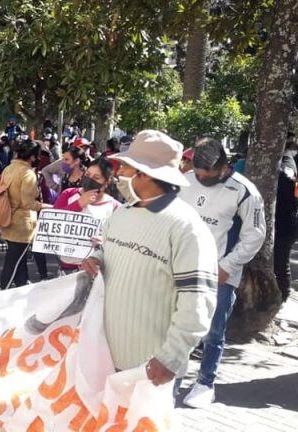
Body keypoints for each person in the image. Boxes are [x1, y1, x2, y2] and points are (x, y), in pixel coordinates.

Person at [81, 130, 217, 392]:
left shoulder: (187, 228)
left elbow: (198, 301)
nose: (119, 173)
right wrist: (95, 259)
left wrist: (171, 358)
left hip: (150, 369)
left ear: (145, 174)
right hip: (105, 358)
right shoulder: (121, 215)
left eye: (125, 167)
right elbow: (107, 252)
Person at [178, 138, 265, 408]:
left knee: (214, 332)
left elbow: (255, 235)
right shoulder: (186, 181)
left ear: (224, 167)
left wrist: (228, 265)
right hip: (182, 267)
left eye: (207, 174)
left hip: (220, 273)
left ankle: (205, 382)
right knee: (176, 323)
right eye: (198, 172)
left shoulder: (245, 192)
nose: (201, 177)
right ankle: (173, 374)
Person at [53, 158, 120, 274]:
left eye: (96, 178)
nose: (89, 179)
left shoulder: (115, 207)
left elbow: (120, 240)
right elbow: (53, 221)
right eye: (88, 174)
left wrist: (105, 242)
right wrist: (78, 204)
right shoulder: (68, 194)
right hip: (67, 266)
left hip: (96, 269)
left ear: (106, 182)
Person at [0, 140, 46, 290]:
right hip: (22, 223)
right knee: (14, 260)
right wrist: (45, 206)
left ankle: (21, 285)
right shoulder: (28, 174)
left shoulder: (9, 169)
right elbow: (28, 203)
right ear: (32, 157)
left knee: (18, 258)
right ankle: (3, 289)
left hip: (7, 218)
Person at [275, 141, 298, 301]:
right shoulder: (289, 161)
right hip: (287, 219)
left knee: (280, 261)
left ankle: (284, 294)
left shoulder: (287, 161)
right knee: (280, 260)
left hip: (285, 221)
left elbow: (286, 182)